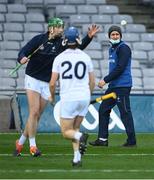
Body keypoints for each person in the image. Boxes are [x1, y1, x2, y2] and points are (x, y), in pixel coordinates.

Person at [14, 17, 99, 157]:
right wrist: (21, 58)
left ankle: (20, 142)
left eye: (62, 27)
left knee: (36, 116)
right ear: (51, 28)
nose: (61, 29)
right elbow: (23, 52)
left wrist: (88, 38)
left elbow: (78, 46)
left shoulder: (61, 43)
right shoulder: (39, 39)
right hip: (32, 79)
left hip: (47, 82)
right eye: (59, 27)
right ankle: (33, 146)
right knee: (34, 112)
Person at [49, 27, 95, 167]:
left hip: (69, 97)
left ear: (64, 41)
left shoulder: (59, 58)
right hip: (84, 96)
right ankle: (76, 158)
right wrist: (88, 95)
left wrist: (52, 97)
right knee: (75, 129)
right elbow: (92, 81)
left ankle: (80, 137)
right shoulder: (85, 57)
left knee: (66, 132)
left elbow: (52, 83)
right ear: (78, 39)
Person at [89, 25, 136, 147]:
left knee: (125, 112)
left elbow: (120, 68)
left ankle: (132, 141)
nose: (115, 36)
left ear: (120, 36)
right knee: (104, 109)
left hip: (122, 86)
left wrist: (105, 80)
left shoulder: (124, 48)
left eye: (117, 34)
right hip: (114, 86)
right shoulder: (112, 49)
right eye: (112, 35)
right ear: (109, 37)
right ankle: (103, 139)